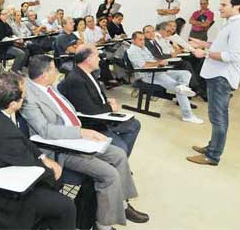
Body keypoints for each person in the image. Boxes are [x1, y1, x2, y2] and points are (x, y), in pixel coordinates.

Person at [21, 55, 149, 230]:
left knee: (119, 154)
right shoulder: (29, 97)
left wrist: (84, 131)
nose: (57, 72)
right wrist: (80, 132)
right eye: (54, 69)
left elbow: (68, 111)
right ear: (44, 74)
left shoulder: (49, 87)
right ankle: (102, 225)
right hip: (61, 148)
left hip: (77, 139)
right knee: (109, 174)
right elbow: (45, 130)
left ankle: (122, 205)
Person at [0, 72, 77, 229]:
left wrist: (42, 156)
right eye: (24, 94)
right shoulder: (4, 135)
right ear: (13, 104)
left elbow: (22, 139)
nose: (26, 95)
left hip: (7, 172)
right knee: (66, 206)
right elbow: (32, 167)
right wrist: (52, 173)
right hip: (4, 197)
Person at [186, 0, 240, 165]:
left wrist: (205, 53)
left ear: (236, 6)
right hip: (216, 74)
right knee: (216, 115)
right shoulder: (231, 23)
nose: (219, 8)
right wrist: (204, 44)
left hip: (222, 77)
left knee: (218, 117)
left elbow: (233, 55)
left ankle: (212, 156)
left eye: (224, 5)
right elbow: (221, 45)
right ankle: (211, 147)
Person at [59, 44, 140, 156]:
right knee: (121, 149)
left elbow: (94, 95)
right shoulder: (75, 79)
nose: (99, 59)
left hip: (102, 115)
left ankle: (119, 162)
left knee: (134, 124)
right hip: (93, 123)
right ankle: (119, 159)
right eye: (97, 56)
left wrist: (106, 100)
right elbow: (88, 110)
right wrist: (109, 107)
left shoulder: (88, 73)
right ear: (88, 59)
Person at [128, 31, 203, 123]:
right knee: (178, 89)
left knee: (186, 74)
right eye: (140, 40)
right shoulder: (132, 51)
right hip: (148, 75)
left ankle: (182, 86)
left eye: (143, 39)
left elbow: (152, 59)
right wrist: (158, 63)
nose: (143, 41)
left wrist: (161, 62)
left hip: (158, 71)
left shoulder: (143, 48)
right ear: (133, 40)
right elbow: (144, 65)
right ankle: (187, 115)